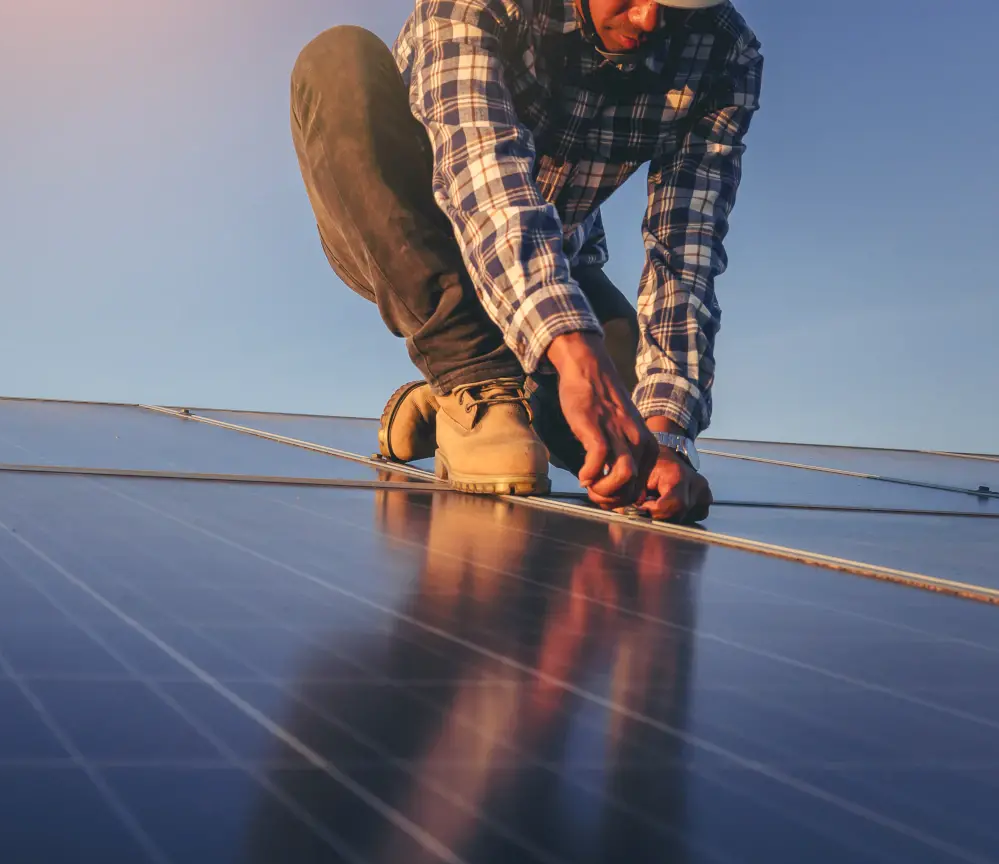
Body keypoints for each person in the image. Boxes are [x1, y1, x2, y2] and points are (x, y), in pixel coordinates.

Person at [290, 0, 762, 523]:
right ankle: (473, 376)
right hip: (411, 230)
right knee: (337, 57)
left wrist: (667, 430)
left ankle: (463, 399)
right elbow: (481, 168)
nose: (648, 20)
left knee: (628, 438)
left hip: (556, 256)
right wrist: (572, 348)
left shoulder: (724, 51)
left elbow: (686, 248)